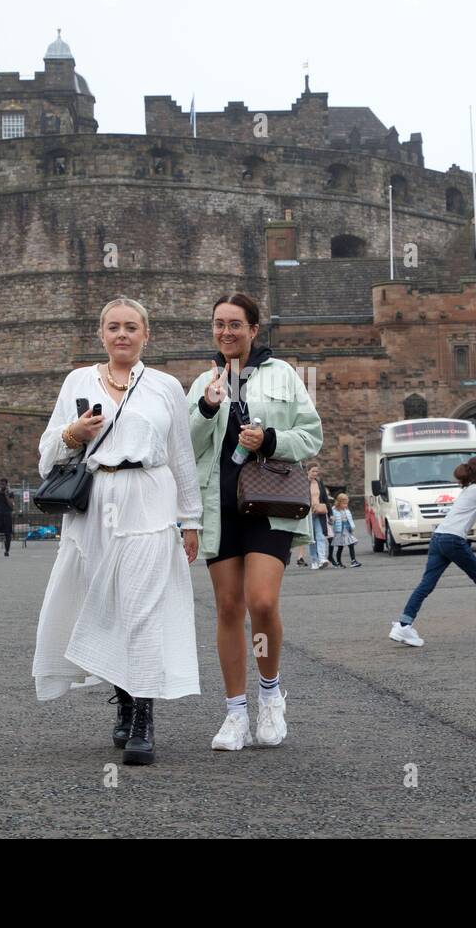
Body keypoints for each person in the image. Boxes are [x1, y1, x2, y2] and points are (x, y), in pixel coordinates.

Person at [32, 296, 202, 767]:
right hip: (95, 501)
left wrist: (191, 520)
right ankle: (124, 702)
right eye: (114, 327)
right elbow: (47, 452)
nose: (122, 334)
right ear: (101, 335)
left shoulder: (166, 386)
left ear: (146, 335)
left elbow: (181, 456)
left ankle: (144, 718)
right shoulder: (78, 381)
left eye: (131, 327)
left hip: (148, 496)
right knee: (106, 607)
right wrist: (73, 434)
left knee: (142, 608)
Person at [188, 292, 323, 752]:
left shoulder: (283, 374)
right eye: (218, 324)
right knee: (228, 608)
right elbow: (185, 445)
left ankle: (270, 696)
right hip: (218, 504)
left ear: (252, 329)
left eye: (235, 324)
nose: (226, 332)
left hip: (269, 502)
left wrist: (269, 439)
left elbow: (311, 436)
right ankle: (234, 713)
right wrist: (207, 407)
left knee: (261, 602)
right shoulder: (202, 380)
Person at [389, 455, 476, 648]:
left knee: (426, 584)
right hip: (453, 540)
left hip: (439, 538)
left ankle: (404, 624)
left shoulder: (470, 491)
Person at [307, 464, 330, 569]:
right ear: (308, 471)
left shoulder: (319, 483)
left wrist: (331, 514)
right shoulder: (303, 483)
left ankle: (322, 559)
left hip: (319, 513)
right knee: (312, 538)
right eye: (313, 471)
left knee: (320, 536)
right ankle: (314, 560)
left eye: (316, 471)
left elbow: (325, 498)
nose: (315, 473)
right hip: (308, 514)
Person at [329, 493, 360, 568]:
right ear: (339, 502)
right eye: (344, 504)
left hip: (347, 529)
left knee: (351, 544)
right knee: (340, 547)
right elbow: (331, 521)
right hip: (339, 531)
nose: (345, 505)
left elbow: (350, 519)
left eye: (346, 503)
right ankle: (338, 562)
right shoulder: (334, 510)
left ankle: (353, 560)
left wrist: (352, 527)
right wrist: (331, 520)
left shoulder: (346, 510)